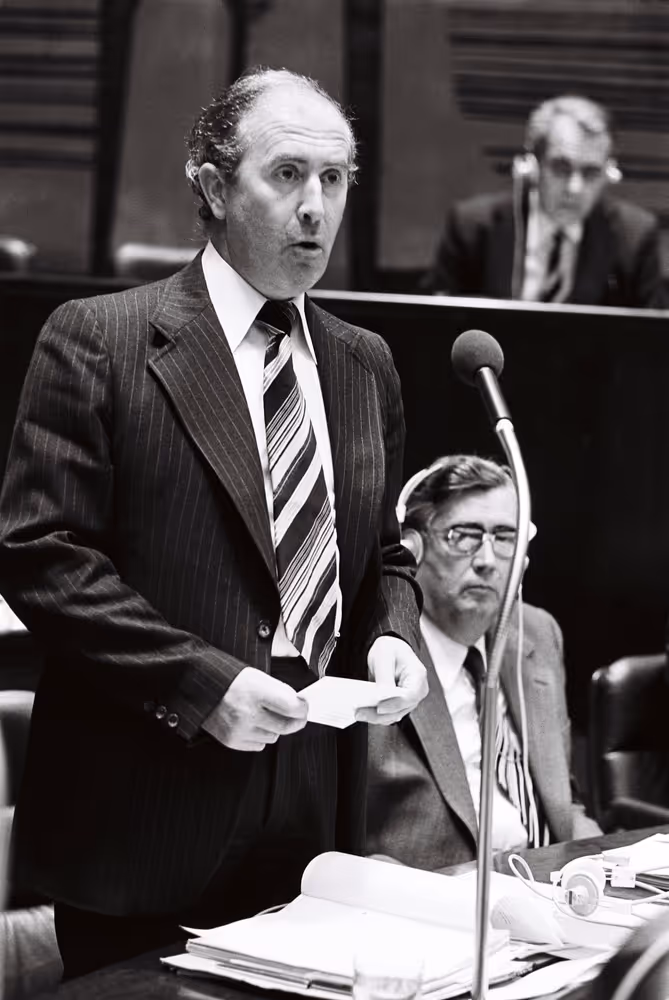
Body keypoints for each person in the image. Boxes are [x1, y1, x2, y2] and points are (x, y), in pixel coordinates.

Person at [0, 67, 427, 977]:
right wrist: (201, 685)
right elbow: (42, 556)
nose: (315, 206)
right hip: (144, 812)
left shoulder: (363, 363)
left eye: (336, 178)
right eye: (286, 175)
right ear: (211, 185)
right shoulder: (101, 338)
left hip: (312, 813)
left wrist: (393, 633)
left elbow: (381, 552)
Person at [367, 454, 601, 871]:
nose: (487, 560)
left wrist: (607, 862)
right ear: (411, 549)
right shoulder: (378, 649)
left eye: (505, 537)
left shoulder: (536, 633)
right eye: (464, 535)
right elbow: (352, 839)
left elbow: (564, 797)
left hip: (551, 882)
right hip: (435, 900)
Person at [424, 95, 666, 309]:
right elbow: (434, 326)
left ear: (608, 175)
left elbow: (650, 344)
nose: (574, 188)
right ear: (531, 168)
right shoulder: (471, 227)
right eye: (561, 168)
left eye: (591, 173)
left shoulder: (635, 237)